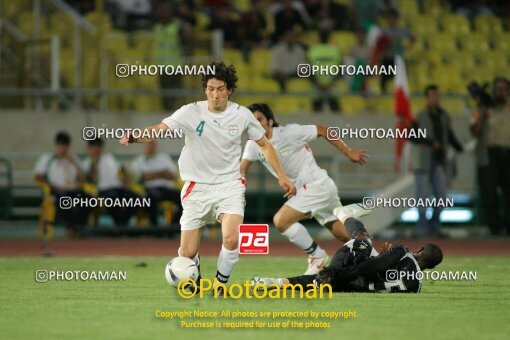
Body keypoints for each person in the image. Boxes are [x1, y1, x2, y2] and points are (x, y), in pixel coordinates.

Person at [119, 62, 296, 293]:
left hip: (229, 185)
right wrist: (135, 136)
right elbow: (159, 129)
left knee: (231, 239)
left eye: (220, 89)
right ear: (205, 89)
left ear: (229, 90)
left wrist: (282, 176)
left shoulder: (242, 115)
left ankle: (221, 284)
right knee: (187, 254)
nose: (215, 95)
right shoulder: (190, 111)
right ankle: (196, 267)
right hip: (196, 187)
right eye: (211, 88)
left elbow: (265, 145)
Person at [240, 103, 368, 275]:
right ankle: (377, 257)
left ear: (270, 122)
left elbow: (322, 129)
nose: (256, 124)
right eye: (252, 122)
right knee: (342, 234)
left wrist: (349, 152)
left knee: (281, 221)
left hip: (316, 185)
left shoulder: (289, 133)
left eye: (259, 119)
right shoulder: (253, 145)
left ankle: (317, 256)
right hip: (314, 190)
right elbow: (242, 169)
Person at [253, 204, 443, 293]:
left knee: (365, 241)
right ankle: (276, 282)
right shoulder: (415, 287)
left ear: (420, 249)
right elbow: (384, 273)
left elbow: (373, 267)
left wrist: (368, 258)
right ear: (431, 268)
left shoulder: (404, 251)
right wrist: (381, 257)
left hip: (349, 266)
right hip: (356, 285)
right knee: (320, 283)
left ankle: (344, 214)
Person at [409, 85, 463, 237]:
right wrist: (430, 142)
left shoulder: (444, 116)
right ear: (427, 97)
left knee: (442, 196)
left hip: (439, 160)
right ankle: (422, 228)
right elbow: (411, 135)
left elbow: (449, 135)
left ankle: (434, 225)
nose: (435, 98)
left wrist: (459, 147)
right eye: (432, 95)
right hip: (423, 161)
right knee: (422, 196)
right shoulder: (419, 116)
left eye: (437, 95)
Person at [33, 131, 90, 233]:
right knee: (64, 201)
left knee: (87, 199)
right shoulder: (47, 159)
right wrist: (53, 186)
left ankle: (80, 228)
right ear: (56, 145)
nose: (63, 149)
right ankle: (73, 228)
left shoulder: (74, 159)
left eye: (65, 146)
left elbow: (83, 180)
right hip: (55, 190)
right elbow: (38, 177)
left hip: (72, 189)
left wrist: (75, 164)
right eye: (60, 145)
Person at [82, 138, 140, 227]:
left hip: (118, 188)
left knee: (136, 198)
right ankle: (119, 224)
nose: (97, 149)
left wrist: (126, 180)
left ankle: (122, 223)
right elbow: (90, 178)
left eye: (99, 147)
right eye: (95, 147)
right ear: (89, 148)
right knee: (112, 198)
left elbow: (122, 169)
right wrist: (94, 162)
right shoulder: (87, 162)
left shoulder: (109, 158)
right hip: (103, 190)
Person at [131, 140, 182, 226]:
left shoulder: (164, 157)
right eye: (148, 144)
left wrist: (152, 175)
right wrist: (162, 173)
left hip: (167, 189)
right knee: (151, 198)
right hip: (151, 189)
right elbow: (143, 177)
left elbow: (174, 175)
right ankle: (154, 227)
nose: (151, 146)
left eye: (152, 144)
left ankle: (173, 227)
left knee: (184, 198)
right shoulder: (139, 160)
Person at [485, 78, 510, 235]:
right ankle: (495, 228)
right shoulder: (486, 110)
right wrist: (483, 112)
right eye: (497, 89)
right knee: (490, 193)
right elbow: (474, 129)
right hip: (492, 154)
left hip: (508, 152)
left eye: (503, 89)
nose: (500, 92)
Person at [307, 29, 342, 112]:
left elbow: (307, 70)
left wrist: (319, 84)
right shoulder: (336, 50)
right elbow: (341, 70)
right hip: (332, 87)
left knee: (316, 119)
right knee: (336, 117)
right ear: (329, 37)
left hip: (317, 87)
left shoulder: (312, 50)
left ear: (318, 37)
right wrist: (329, 84)